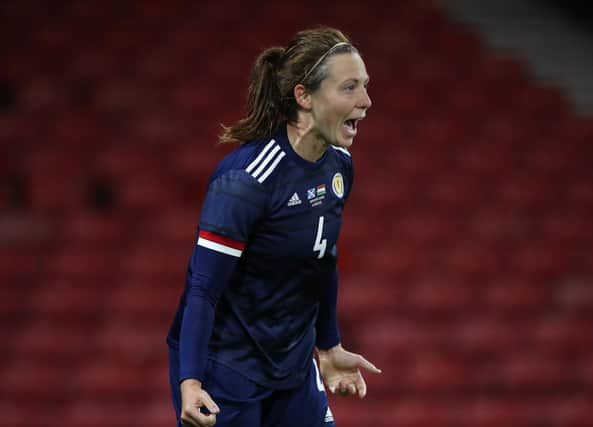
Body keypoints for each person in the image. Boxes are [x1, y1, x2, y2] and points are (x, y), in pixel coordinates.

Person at [166, 26, 381, 427]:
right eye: (350, 88)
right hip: (226, 367)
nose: (366, 101)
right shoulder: (246, 181)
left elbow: (321, 259)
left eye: (365, 86)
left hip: (293, 362)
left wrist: (329, 346)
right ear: (304, 96)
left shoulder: (339, 165)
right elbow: (203, 287)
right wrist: (190, 381)